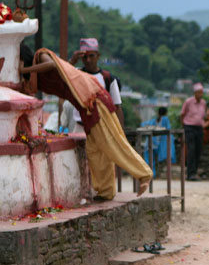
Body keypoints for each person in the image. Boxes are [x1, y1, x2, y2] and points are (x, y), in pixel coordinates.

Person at [19, 48, 152, 199]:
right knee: (95, 150)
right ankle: (106, 191)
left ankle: (144, 174)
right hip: (85, 106)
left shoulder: (40, 55)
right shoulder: (34, 76)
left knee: (111, 142)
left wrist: (24, 69)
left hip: (93, 100)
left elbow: (53, 66)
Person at [70, 38, 126, 132]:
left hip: (101, 129)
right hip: (80, 128)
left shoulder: (108, 78)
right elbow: (60, 74)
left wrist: (121, 134)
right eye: (85, 57)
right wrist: (72, 61)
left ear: (98, 56)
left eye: (91, 56)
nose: (88, 60)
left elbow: (117, 107)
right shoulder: (75, 74)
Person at [181, 83, 208, 181]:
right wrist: (184, 126)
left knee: (198, 150)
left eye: (201, 93)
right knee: (191, 149)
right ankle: (190, 173)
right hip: (189, 127)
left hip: (199, 127)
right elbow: (182, 114)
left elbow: (204, 115)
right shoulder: (188, 102)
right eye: (198, 93)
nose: (200, 95)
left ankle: (194, 172)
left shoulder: (204, 103)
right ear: (195, 93)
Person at [141, 106, 176, 178]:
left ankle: (149, 174)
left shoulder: (154, 120)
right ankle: (152, 174)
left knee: (149, 160)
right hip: (158, 144)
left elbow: (143, 124)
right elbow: (168, 129)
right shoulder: (165, 119)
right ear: (166, 113)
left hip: (150, 143)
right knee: (152, 160)